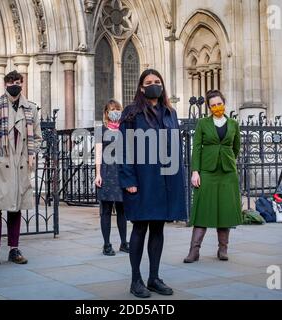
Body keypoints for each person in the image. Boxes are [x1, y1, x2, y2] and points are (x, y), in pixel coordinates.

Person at [119, 69, 186, 298]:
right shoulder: (131, 113)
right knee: (140, 227)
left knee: (158, 228)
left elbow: (175, 147)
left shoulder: (170, 112)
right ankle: (136, 279)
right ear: (141, 87)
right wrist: (128, 179)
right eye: (149, 82)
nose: (154, 85)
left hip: (165, 180)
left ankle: (154, 277)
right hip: (141, 179)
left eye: (158, 82)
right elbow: (123, 148)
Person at [0, 70, 42, 268]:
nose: (14, 84)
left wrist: (29, 153)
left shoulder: (31, 108)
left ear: (22, 83)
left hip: (21, 164)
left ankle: (14, 248)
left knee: (16, 206)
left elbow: (38, 137)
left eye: (17, 81)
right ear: (5, 84)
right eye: (11, 81)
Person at [184, 90, 242, 264]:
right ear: (209, 107)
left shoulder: (233, 123)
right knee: (202, 209)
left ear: (224, 103)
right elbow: (197, 148)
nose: (217, 107)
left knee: (224, 209)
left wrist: (228, 160)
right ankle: (194, 251)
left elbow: (236, 147)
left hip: (227, 172)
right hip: (207, 171)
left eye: (219, 104)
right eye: (213, 105)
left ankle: (223, 249)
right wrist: (196, 171)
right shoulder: (203, 123)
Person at [95, 99, 129, 256]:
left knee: (122, 210)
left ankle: (124, 242)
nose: (115, 112)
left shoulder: (124, 129)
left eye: (117, 109)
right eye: (111, 109)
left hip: (122, 172)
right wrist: (97, 174)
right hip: (107, 172)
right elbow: (98, 153)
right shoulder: (99, 130)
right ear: (106, 113)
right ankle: (106, 244)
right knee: (106, 210)